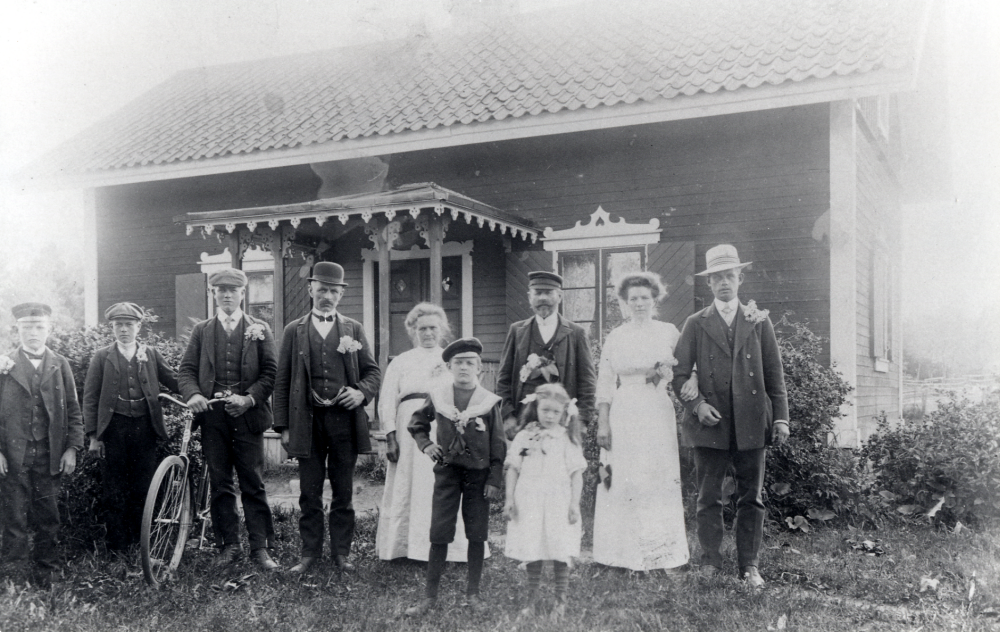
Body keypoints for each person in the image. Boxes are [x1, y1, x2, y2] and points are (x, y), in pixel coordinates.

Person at [671, 244, 790, 588]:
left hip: (752, 421)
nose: (724, 283)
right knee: (708, 496)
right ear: (708, 284)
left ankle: (749, 565)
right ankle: (710, 561)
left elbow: (774, 373)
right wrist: (696, 406)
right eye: (717, 277)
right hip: (711, 424)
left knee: (750, 497)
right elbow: (678, 374)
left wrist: (780, 418)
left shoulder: (758, 321)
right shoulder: (696, 323)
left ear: (740, 278)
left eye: (729, 275)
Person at [273, 261, 381, 574]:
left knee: (343, 490)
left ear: (341, 294)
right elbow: (282, 381)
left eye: (334, 291)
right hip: (307, 422)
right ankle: (309, 554)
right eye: (322, 289)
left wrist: (361, 392)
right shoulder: (295, 330)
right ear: (310, 289)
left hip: (343, 422)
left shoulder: (353, 329)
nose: (327, 296)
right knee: (309, 492)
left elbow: (372, 371)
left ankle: (341, 554)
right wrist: (283, 427)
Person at [592, 271, 698, 571]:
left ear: (655, 300)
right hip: (624, 410)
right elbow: (605, 382)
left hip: (656, 409)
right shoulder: (616, 336)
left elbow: (690, 363)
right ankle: (618, 553)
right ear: (625, 303)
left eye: (644, 298)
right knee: (622, 475)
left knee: (656, 475)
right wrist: (603, 423)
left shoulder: (668, 332)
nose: (639, 303)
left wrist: (693, 377)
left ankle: (661, 553)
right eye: (633, 299)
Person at [177, 267, 280, 571]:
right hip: (213, 419)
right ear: (213, 295)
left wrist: (248, 399)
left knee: (253, 482)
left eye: (232, 291)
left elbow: (270, 373)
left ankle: (260, 548)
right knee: (220, 483)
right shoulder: (202, 331)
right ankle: (228, 546)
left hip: (247, 418)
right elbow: (186, 371)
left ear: (242, 294)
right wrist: (193, 394)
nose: (226, 295)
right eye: (220, 290)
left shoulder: (259, 328)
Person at [376, 302, 486, 562]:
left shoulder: (452, 359)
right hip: (409, 430)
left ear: (442, 329)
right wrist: (390, 436)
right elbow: (387, 399)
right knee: (408, 486)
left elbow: (472, 392)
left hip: (445, 430)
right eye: (422, 328)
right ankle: (405, 549)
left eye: (433, 328)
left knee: (443, 485)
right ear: (413, 331)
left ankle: (449, 550)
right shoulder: (401, 362)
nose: (427, 333)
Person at [405, 337, 506, 615]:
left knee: (476, 534)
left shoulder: (488, 402)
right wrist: (426, 445)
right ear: (449, 366)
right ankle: (429, 597)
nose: (464, 368)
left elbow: (498, 442)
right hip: (447, 473)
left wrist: (495, 478)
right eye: (458, 363)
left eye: (470, 363)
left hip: (478, 476)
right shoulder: (439, 396)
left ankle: (473, 594)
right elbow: (416, 422)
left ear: (480, 369)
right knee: (439, 531)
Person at [82, 302, 180, 552]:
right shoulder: (102, 356)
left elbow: (173, 380)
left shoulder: (151, 354)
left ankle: (141, 543)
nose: (123, 330)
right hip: (114, 428)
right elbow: (91, 398)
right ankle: (117, 546)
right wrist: (94, 436)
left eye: (128, 325)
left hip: (145, 428)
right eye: (118, 325)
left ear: (138, 327)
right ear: (112, 328)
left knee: (144, 484)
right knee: (113, 487)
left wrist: (196, 392)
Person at [0, 302, 84, 579]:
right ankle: (15, 573)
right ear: (18, 329)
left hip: (49, 453)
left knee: (48, 515)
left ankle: (49, 570)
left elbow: (73, 408)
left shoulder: (60, 365)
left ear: (49, 329)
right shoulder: (5, 365)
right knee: (14, 516)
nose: (33, 332)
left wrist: (71, 448)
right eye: (26, 327)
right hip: (15, 454)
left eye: (39, 327)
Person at [504, 383, 587, 621]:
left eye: (556, 412)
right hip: (529, 499)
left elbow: (576, 473)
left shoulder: (567, 438)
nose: (550, 416)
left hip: (557, 500)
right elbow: (513, 468)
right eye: (545, 410)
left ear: (564, 413)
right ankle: (531, 600)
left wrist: (574, 503)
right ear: (535, 408)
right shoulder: (524, 436)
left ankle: (560, 600)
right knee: (532, 546)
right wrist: (509, 498)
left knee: (559, 547)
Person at [496, 271, 597, 437]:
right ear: (529, 297)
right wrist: (507, 416)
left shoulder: (576, 333)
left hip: (562, 420)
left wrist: (582, 420)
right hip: (523, 419)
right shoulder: (517, 331)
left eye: (548, 293)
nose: (542, 298)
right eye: (537, 293)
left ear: (560, 296)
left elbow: (588, 382)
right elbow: (503, 379)